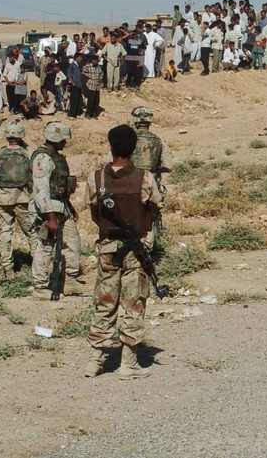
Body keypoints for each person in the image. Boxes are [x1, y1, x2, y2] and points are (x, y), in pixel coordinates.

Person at [83, 124, 163, 379]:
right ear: (133, 149)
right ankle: (128, 363)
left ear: (110, 146)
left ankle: (95, 360)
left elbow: (94, 212)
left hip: (108, 247)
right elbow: (155, 207)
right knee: (133, 301)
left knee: (104, 300)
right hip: (135, 249)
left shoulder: (97, 177)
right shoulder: (144, 177)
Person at [29, 121, 87, 299]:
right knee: (45, 246)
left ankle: (69, 280)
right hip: (47, 209)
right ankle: (39, 286)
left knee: (72, 241)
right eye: (63, 140)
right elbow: (41, 189)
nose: (65, 143)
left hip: (61, 207)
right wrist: (50, 217)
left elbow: (60, 187)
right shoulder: (42, 158)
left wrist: (70, 208)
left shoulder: (56, 157)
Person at [0, 120, 35, 281]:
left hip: (3, 199)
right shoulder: (28, 153)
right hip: (23, 198)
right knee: (32, 232)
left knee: (4, 232)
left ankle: (8, 269)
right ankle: (39, 266)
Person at [129, 106, 174, 246]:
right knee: (150, 217)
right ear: (150, 122)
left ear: (135, 121)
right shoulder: (158, 141)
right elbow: (168, 165)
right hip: (151, 185)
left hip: (128, 184)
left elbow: (109, 161)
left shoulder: (127, 140)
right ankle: (148, 249)